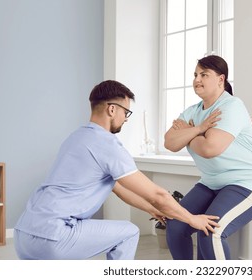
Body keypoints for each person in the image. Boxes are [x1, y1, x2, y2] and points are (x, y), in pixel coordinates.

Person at [14, 80, 219, 260]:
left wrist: (152, 210)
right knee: (128, 232)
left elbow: (118, 188)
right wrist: (193, 219)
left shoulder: (76, 138)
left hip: (23, 235)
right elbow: (157, 194)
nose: (126, 118)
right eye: (125, 112)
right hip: (54, 235)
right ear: (112, 110)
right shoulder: (107, 144)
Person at [164, 55, 252, 260]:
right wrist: (200, 129)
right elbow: (170, 142)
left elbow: (210, 148)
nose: (197, 79)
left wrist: (188, 133)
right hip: (211, 183)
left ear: (221, 79)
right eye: (195, 75)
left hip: (247, 183)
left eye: (204, 74)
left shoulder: (231, 106)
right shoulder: (192, 112)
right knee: (176, 225)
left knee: (212, 233)